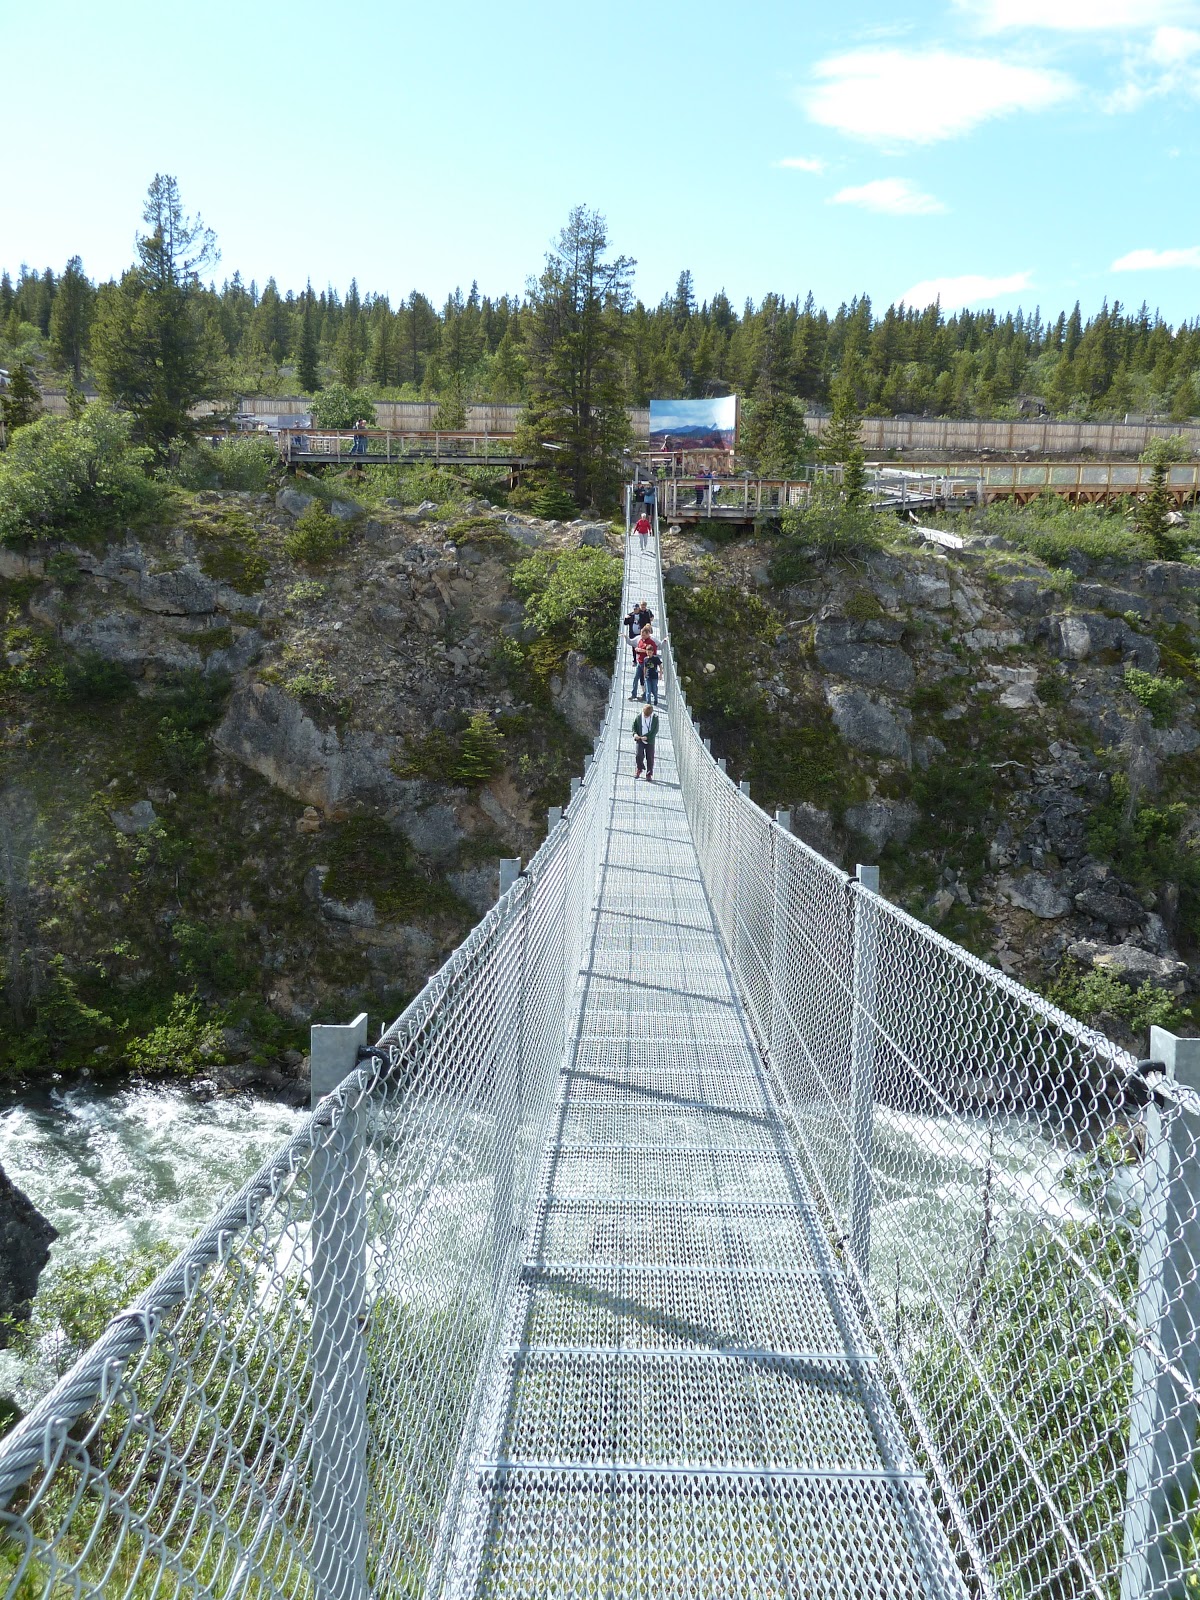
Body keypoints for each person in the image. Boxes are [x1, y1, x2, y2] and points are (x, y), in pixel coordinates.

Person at [632, 701, 659, 781]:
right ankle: (639, 768)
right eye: (645, 715)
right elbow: (634, 726)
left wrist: (647, 737)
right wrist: (635, 734)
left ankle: (649, 773)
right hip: (640, 739)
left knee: (650, 757)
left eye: (647, 716)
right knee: (638, 754)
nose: (645, 716)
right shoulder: (639, 717)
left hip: (650, 740)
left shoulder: (655, 718)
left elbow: (655, 730)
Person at [632, 622, 658, 701]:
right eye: (641, 635)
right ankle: (633, 694)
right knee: (636, 678)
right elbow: (638, 648)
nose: (642, 636)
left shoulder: (652, 642)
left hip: (646, 663)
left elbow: (654, 653)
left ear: (648, 634)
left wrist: (643, 650)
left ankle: (645, 696)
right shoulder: (640, 640)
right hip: (639, 662)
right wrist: (637, 650)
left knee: (646, 679)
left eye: (643, 635)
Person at [643, 638, 661, 706]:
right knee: (648, 691)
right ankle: (648, 704)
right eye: (648, 652)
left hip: (654, 676)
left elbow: (660, 666)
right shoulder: (645, 659)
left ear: (653, 652)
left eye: (650, 652)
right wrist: (644, 674)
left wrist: (660, 674)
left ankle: (655, 699)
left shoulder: (656, 658)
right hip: (648, 676)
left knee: (654, 690)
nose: (649, 653)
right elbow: (645, 667)